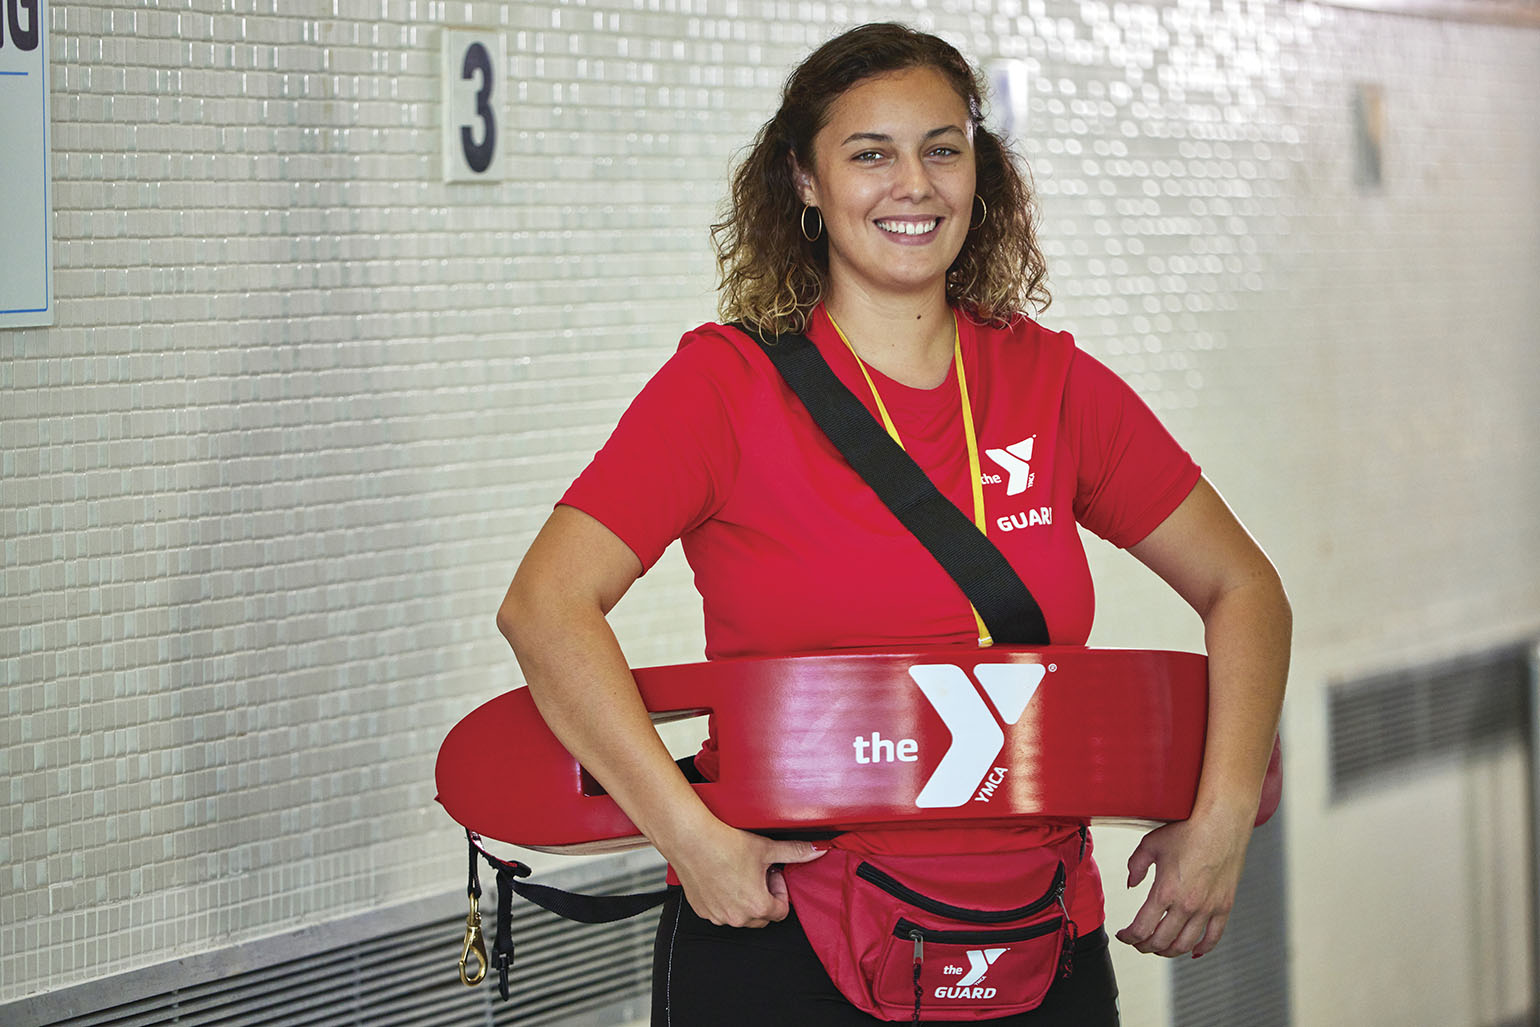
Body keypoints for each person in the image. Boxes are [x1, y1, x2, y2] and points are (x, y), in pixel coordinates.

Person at [498, 22, 1289, 1026]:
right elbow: (545, 604)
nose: (911, 183)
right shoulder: (724, 389)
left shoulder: (1051, 385)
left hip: (1036, 939)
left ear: (976, 172)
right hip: (784, 936)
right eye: (869, 154)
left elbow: (1245, 589)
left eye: (941, 148)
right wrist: (688, 836)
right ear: (805, 182)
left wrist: (1220, 821)